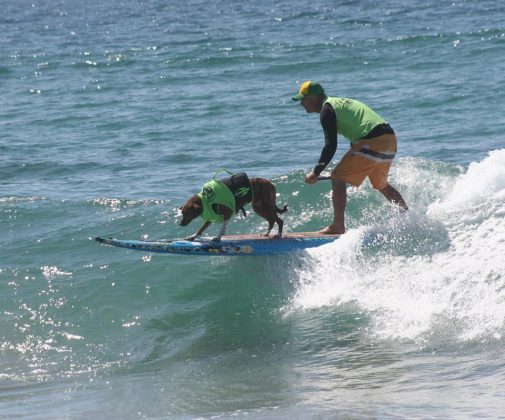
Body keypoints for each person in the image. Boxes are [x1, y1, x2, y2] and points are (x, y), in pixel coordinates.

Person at [292, 80, 408, 234]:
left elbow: (330, 146)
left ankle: (337, 225)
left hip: (372, 139)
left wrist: (316, 172)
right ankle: (408, 217)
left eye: (303, 99)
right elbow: (357, 130)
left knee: (337, 177)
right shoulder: (338, 103)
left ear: (315, 97)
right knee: (381, 184)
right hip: (389, 138)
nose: (302, 104)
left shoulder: (326, 110)